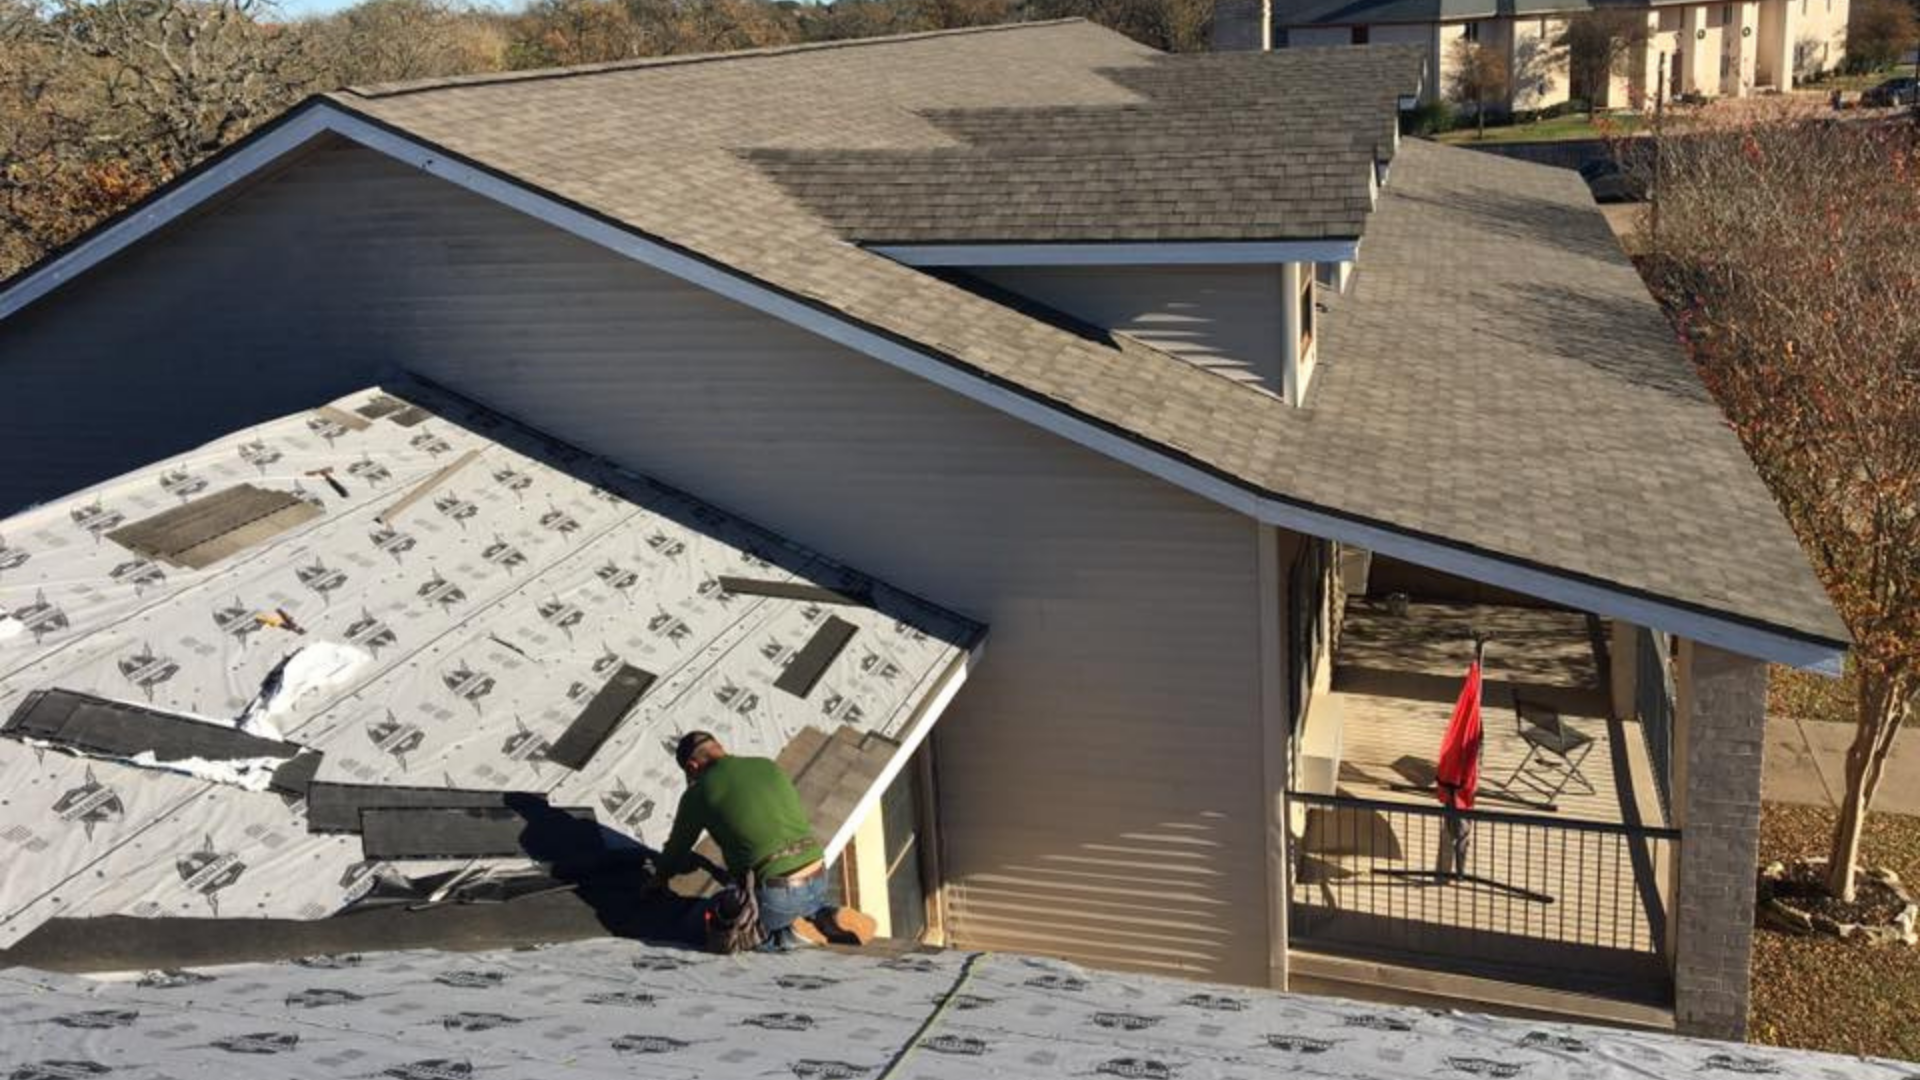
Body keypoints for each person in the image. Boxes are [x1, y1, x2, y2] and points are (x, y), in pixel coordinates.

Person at [651, 731, 876, 950]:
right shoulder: (766, 765)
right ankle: (824, 914)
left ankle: (790, 936)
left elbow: (675, 851)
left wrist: (658, 879)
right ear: (719, 747)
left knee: (726, 935)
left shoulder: (698, 793)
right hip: (818, 876)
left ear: (692, 767)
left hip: (776, 895)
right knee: (797, 902)